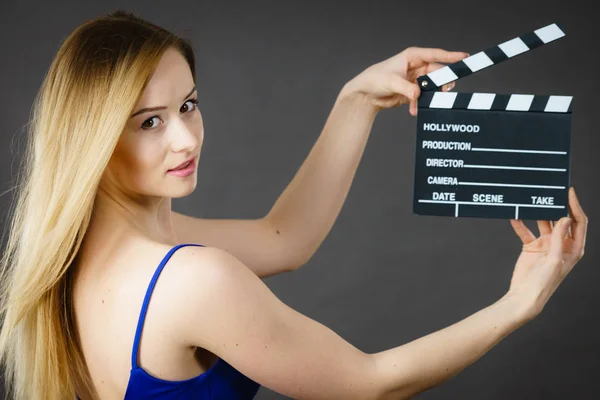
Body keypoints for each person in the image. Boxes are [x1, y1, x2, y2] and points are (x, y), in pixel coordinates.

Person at [0, 9, 587, 400]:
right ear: (94, 141)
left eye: (188, 105)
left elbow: (286, 238)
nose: (186, 138)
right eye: (149, 122)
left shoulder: (94, 252)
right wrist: (519, 304)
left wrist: (355, 100)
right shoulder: (188, 277)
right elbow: (369, 382)